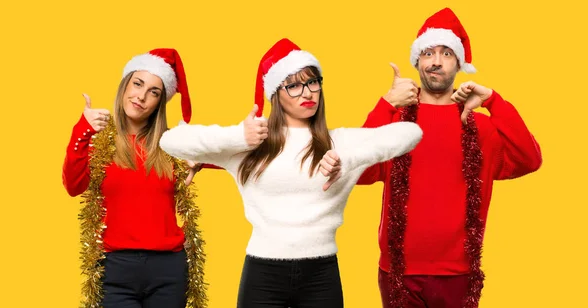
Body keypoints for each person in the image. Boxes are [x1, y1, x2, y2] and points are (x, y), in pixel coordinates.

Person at [159, 38, 423, 308]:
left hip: (321, 275)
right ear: (276, 93)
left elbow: (411, 133)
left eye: (312, 82)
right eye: (294, 86)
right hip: (262, 274)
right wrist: (239, 136)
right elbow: (171, 141)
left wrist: (346, 160)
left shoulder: (339, 143)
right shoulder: (250, 146)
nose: (307, 93)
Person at [354, 8, 543, 308]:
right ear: (417, 61)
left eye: (446, 53)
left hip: (460, 275)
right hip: (399, 273)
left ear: (459, 63)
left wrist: (493, 100)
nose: (436, 61)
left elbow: (529, 158)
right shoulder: (395, 121)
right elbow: (358, 170)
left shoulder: (479, 126)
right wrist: (386, 104)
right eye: (428, 52)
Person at [62, 48, 208, 308]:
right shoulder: (99, 140)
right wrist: (81, 130)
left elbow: (157, 198)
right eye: (138, 84)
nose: (141, 97)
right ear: (125, 85)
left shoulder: (171, 145)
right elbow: (74, 186)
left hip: (168, 269)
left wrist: (193, 168)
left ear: (159, 103)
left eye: (154, 92)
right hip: (115, 269)